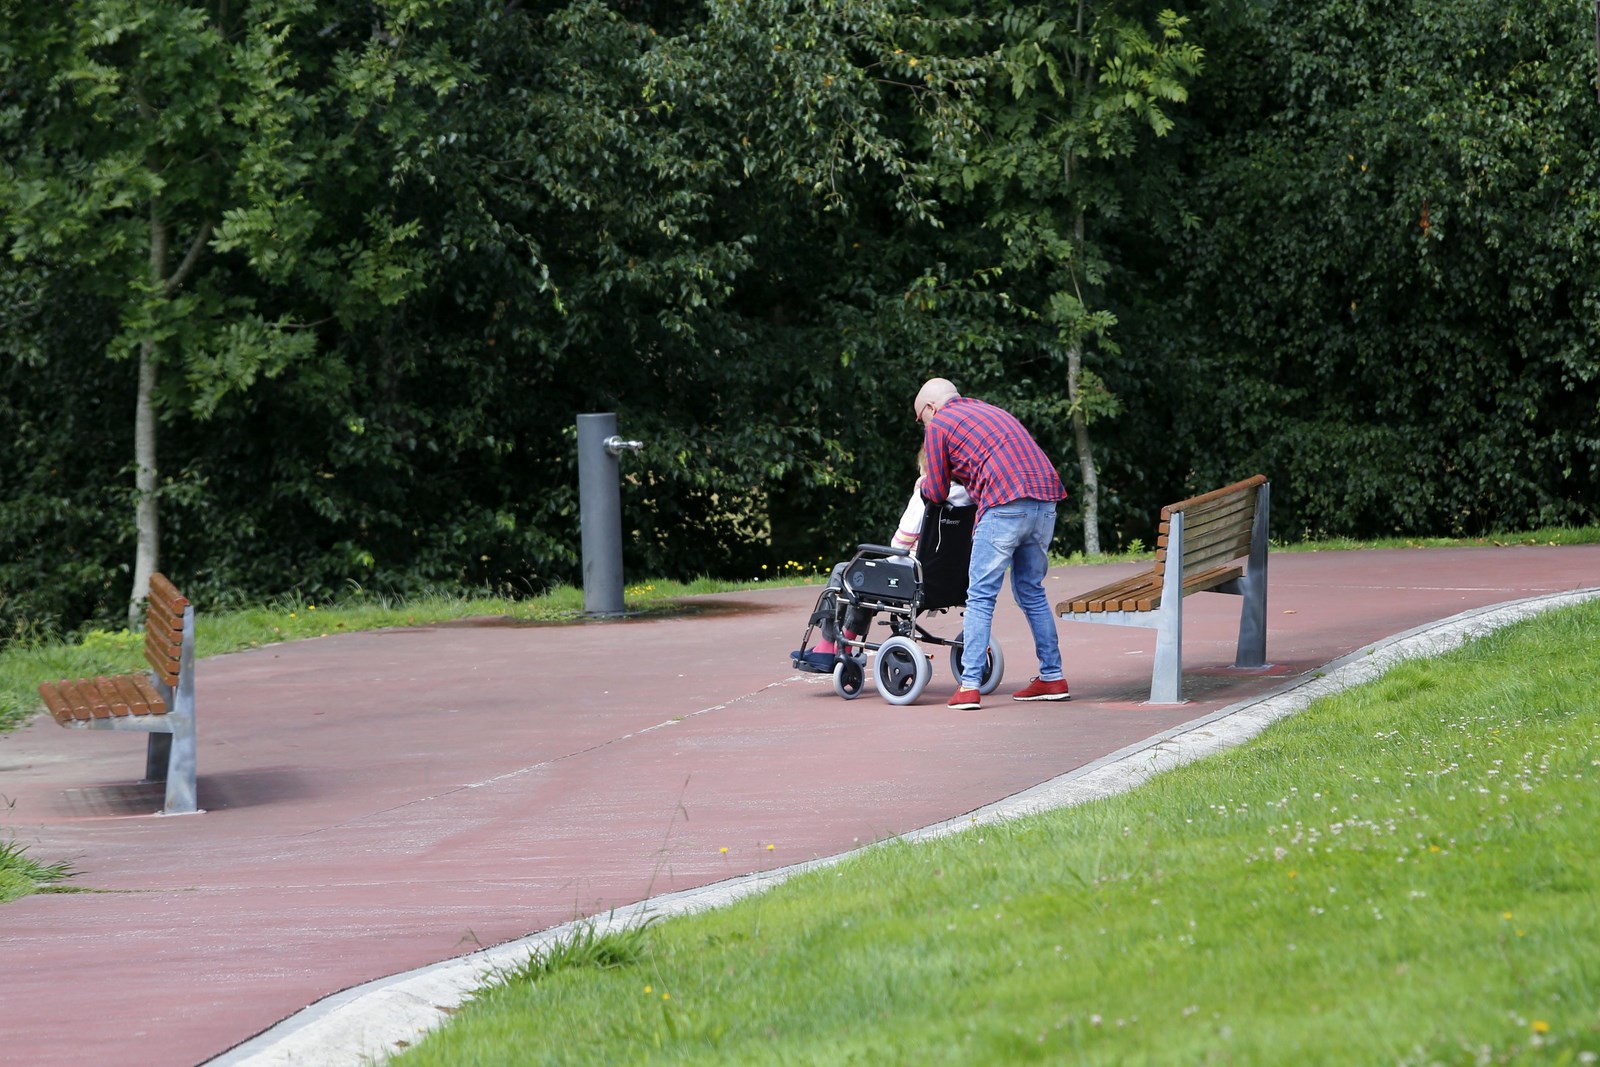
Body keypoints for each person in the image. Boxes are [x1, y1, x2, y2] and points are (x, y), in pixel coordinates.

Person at [915, 377, 1070, 710]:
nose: (924, 427)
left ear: (930, 407)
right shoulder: (989, 411)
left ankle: (969, 686)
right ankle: (1053, 676)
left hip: (1004, 504)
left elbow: (939, 491)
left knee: (981, 595)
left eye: (921, 419)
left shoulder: (940, 423)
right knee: (1031, 589)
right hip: (1045, 500)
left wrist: (923, 486)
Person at [791, 450, 970, 673]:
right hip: (951, 582)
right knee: (867, 575)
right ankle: (841, 642)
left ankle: (831, 645)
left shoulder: (925, 496)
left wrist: (918, 491)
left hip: (913, 575)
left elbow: (900, 545)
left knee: (847, 573)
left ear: (929, 470)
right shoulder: (971, 499)